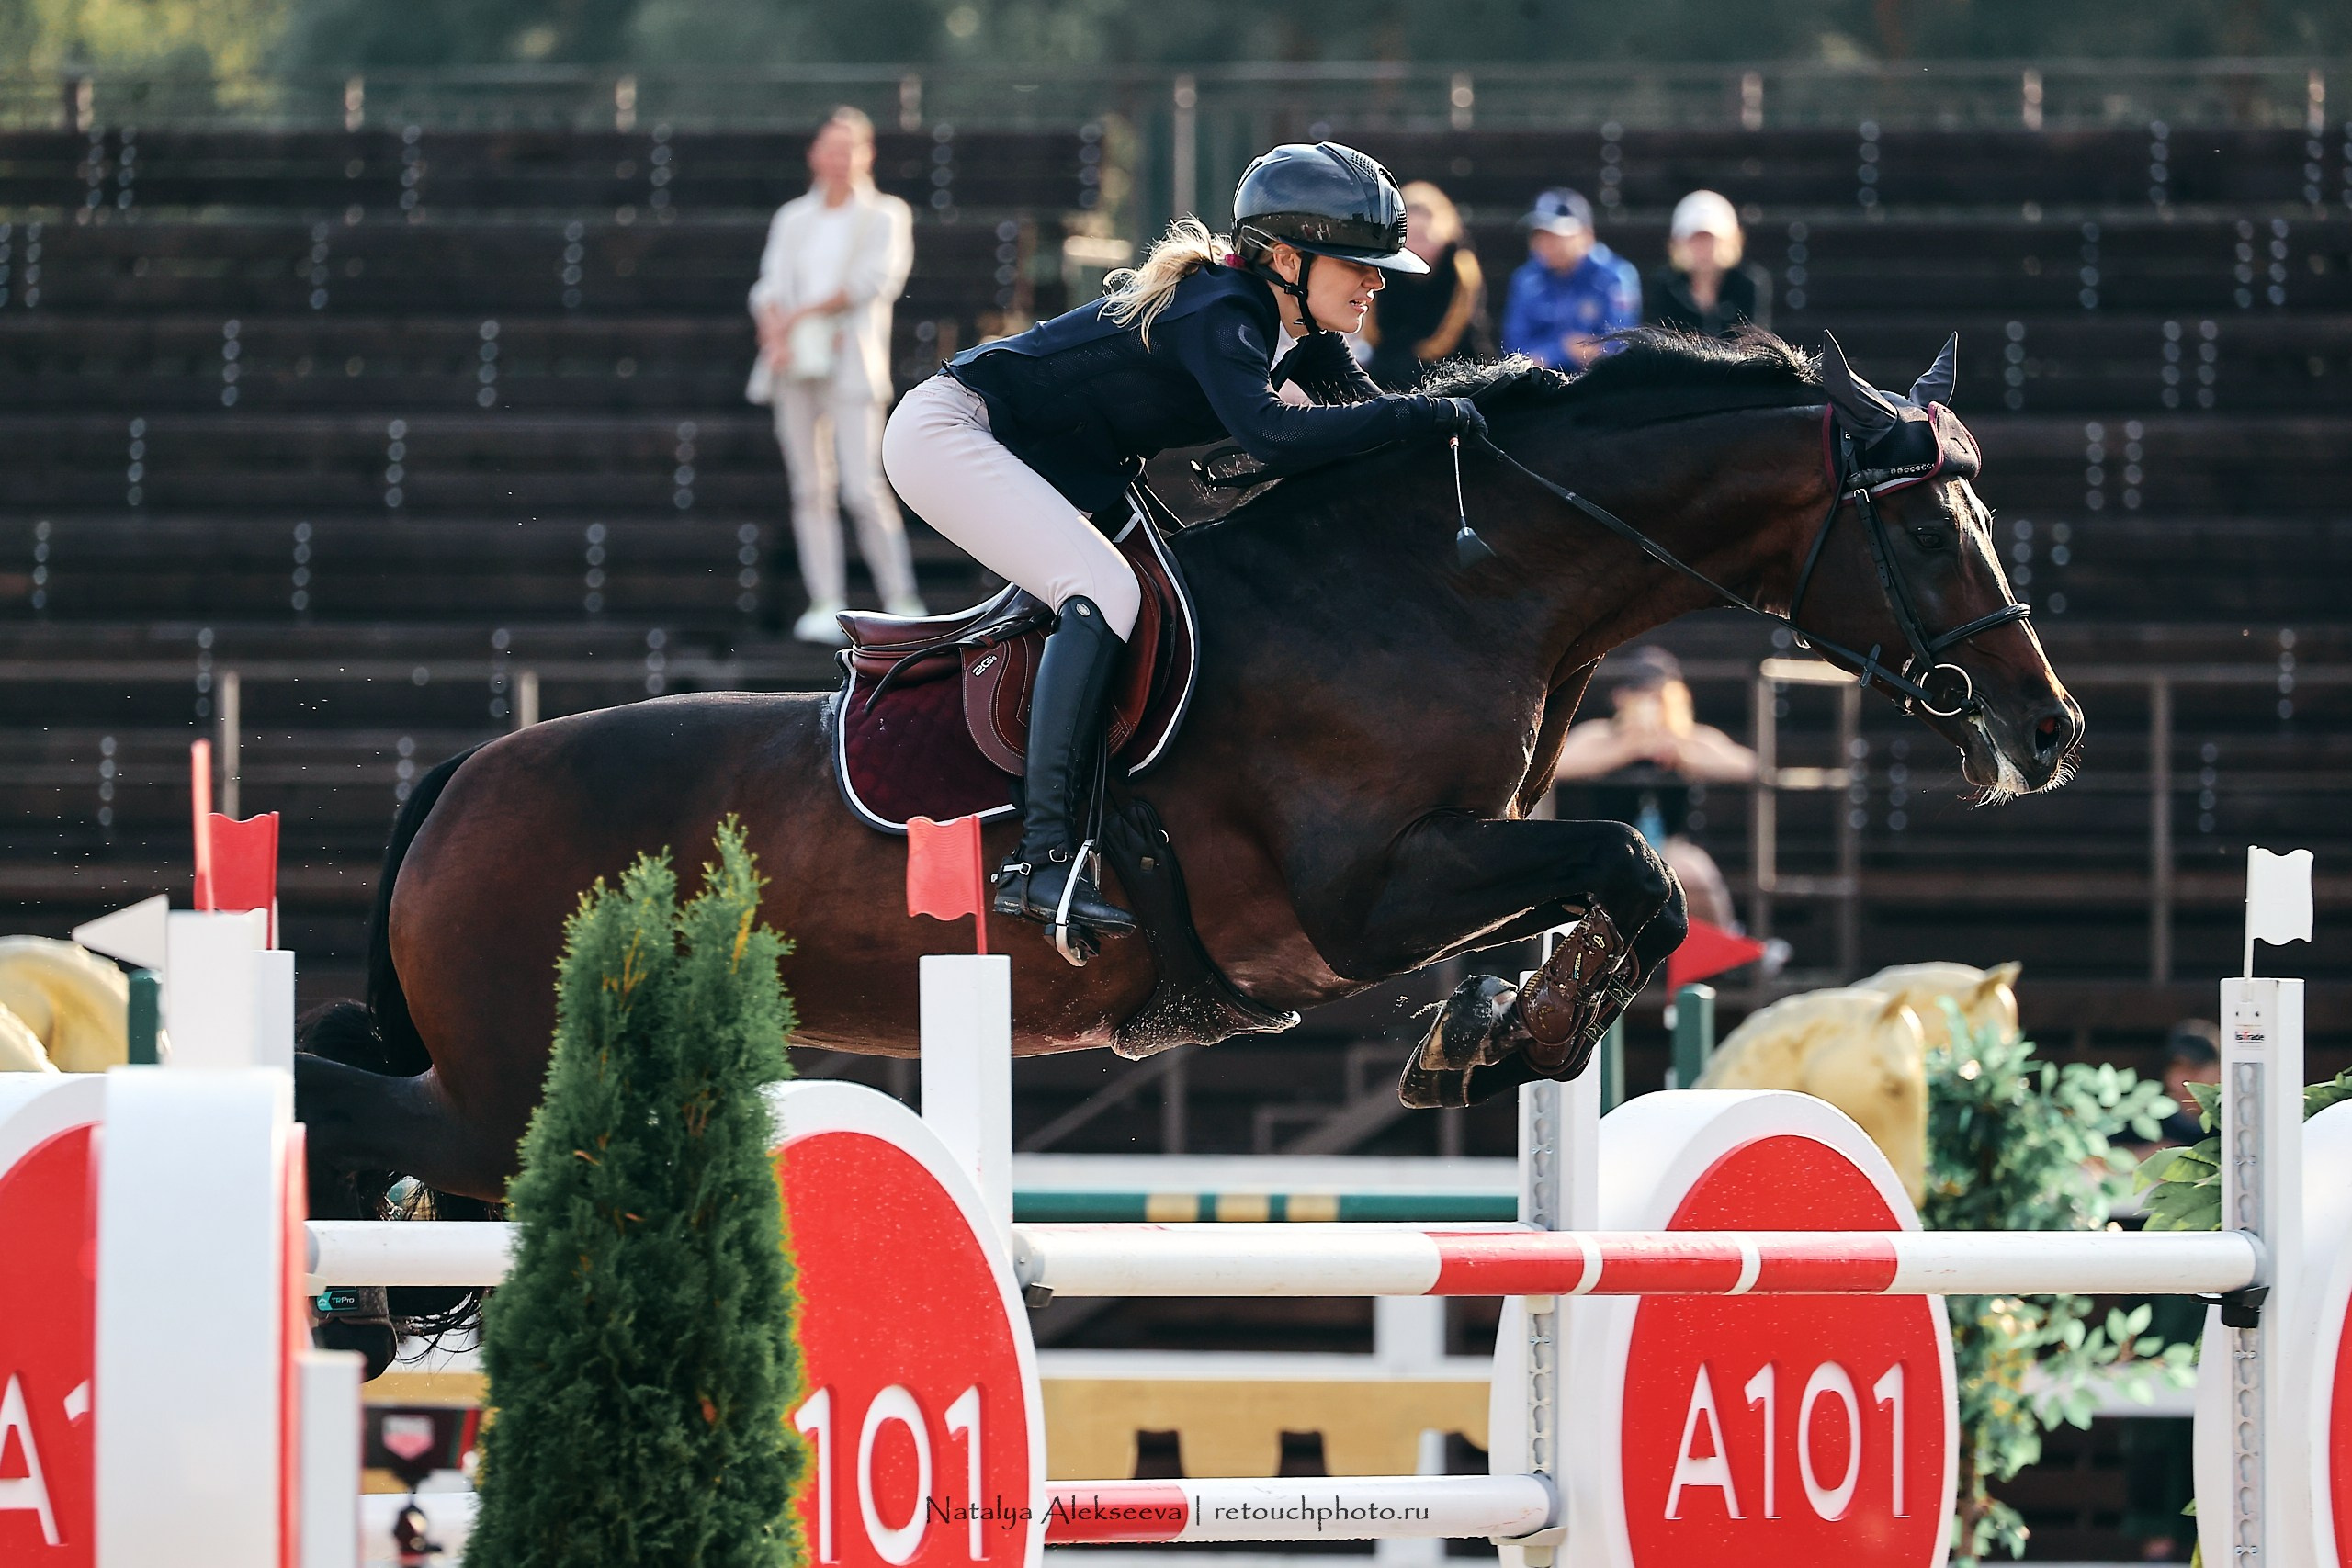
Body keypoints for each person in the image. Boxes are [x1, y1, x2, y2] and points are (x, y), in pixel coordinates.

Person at [882, 141, 1487, 953]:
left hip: (1064, 462)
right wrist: (1426, 416)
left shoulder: (1302, 323)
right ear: (1283, 259)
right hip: (952, 431)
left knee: (1182, 606)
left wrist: (1500, 435)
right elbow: (1272, 433)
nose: (1377, 281)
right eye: (1358, 263)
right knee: (1106, 593)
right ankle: (1043, 858)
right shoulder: (1222, 310)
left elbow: (1375, 426)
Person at [748, 107, 926, 644]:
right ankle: (825, 598)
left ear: (866, 154)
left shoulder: (886, 215)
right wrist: (776, 328)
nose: (839, 159)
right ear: (814, 154)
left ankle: (900, 597)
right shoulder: (792, 218)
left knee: (862, 485)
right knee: (809, 487)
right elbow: (769, 285)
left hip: (851, 363)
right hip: (792, 365)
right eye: (830, 147)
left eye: (849, 148)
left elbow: (875, 281)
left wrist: (802, 317)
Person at [1552, 646, 1755, 930]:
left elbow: (1748, 767)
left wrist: (1683, 754)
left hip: (1672, 843)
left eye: (1659, 696)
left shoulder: (1690, 738)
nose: (1650, 704)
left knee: (1694, 873)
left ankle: (1725, 951)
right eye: (1641, 695)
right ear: (1620, 697)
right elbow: (1560, 765)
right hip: (1610, 843)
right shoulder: (1603, 734)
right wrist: (1626, 749)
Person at [1362, 180, 1490, 389]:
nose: (1417, 247)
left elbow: (1452, 331)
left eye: (1424, 236)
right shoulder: (1383, 266)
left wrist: (1420, 360)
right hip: (1388, 362)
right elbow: (1374, 330)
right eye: (1410, 237)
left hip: (1452, 363)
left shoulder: (1461, 268)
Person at [1498, 187, 1639, 370]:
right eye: (1539, 234)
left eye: (1556, 235)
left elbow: (1617, 348)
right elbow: (1513, 350)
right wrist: (1564, 349)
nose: (1544, 243)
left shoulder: (1615, 277)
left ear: (1586, 234)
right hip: (1536, 387)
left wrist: (1547, 355)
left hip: (1597, 386)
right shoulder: (1526, 279)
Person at [1645, 189, 1772, 339]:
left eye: (1710, 239)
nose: (1703, 248)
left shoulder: (1749, 283)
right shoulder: (1664, 285)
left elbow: (1753, 341)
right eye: (1695, 239)